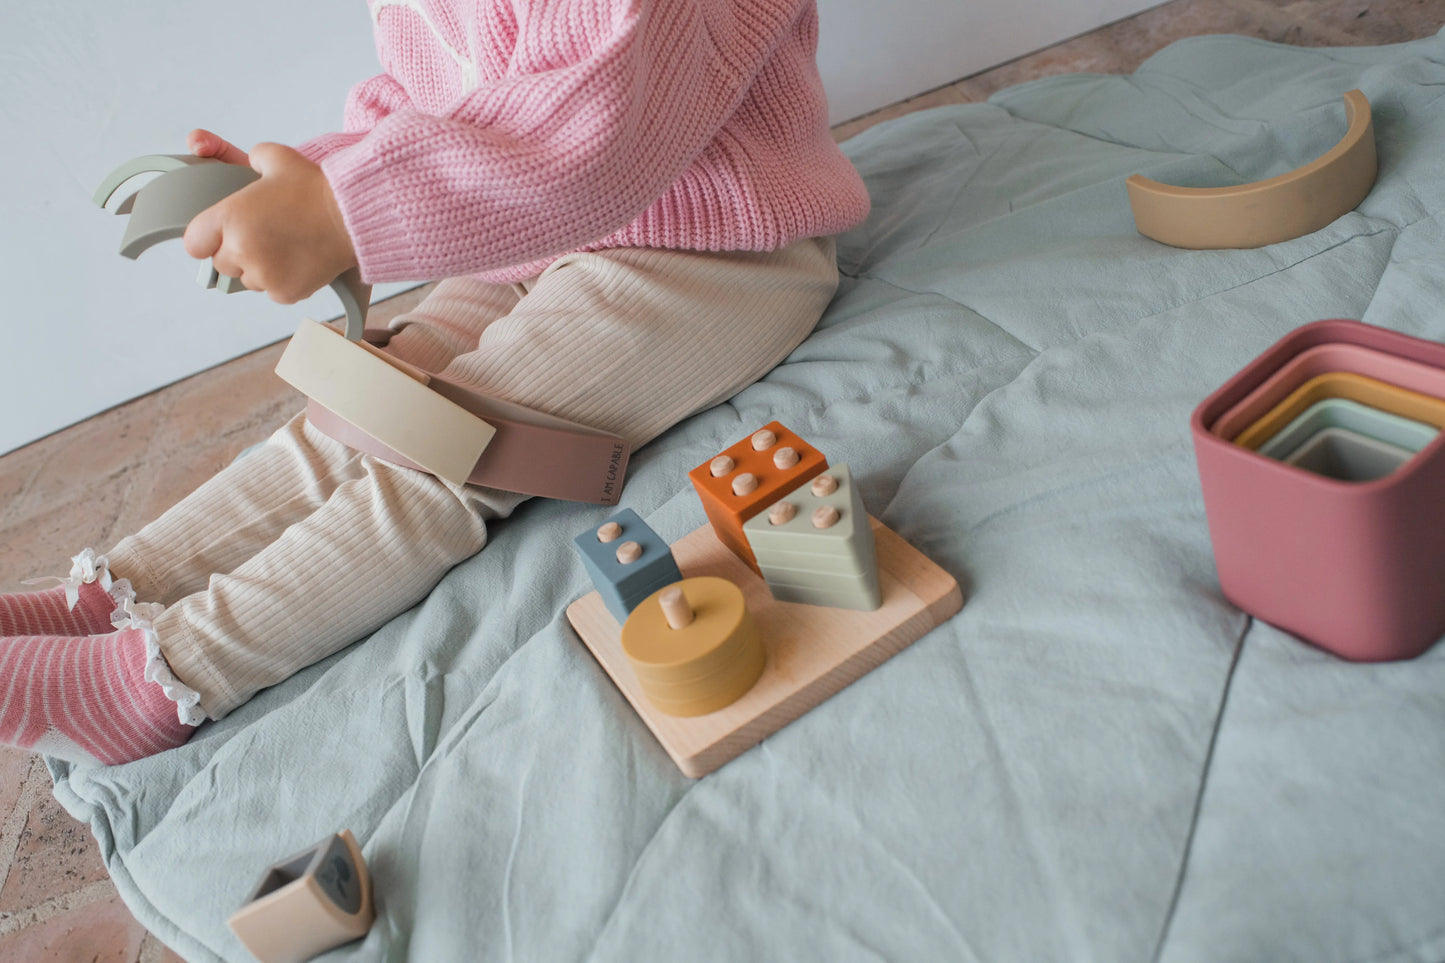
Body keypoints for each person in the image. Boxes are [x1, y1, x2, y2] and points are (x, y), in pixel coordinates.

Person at [0, 0, 869, 765]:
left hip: (718, 246)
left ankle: (162, 677)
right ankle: (118, 591)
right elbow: (438, 100)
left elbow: (592, 127)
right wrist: (308, 183)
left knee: (451, 452)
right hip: (539, 236)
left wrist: (340, 215)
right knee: (368, 402)